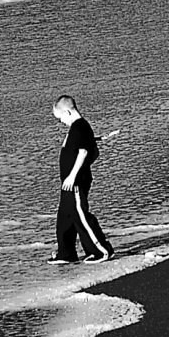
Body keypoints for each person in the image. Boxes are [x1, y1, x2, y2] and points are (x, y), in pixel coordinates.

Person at [49, 95, 113, 264]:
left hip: (75, 181)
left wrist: (72, 176)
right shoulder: (78, 128)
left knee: (80, 215)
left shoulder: (79, 126)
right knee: (65, 216)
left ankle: (101, 250)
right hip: (68, 182)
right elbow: (84, 143)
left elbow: (83, 152)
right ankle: (66, 253)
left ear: (68, 112)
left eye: (61, 118)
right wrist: (99, 138)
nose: (61, 121)